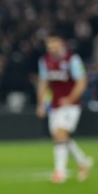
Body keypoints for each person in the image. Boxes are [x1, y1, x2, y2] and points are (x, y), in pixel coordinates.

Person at [36, 33, 93, 183]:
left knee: (60, 134)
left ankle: (59, 173)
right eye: (48, 46)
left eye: (53, 45)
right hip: (55, 105)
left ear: (61, 44)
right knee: (60, 137)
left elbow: (82, 82)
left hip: (71, 106)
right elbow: (43, 83)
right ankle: (82, 162)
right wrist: (41, 103)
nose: (51, 48)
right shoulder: (45, 61)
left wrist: (70, 99)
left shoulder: (72, 60)